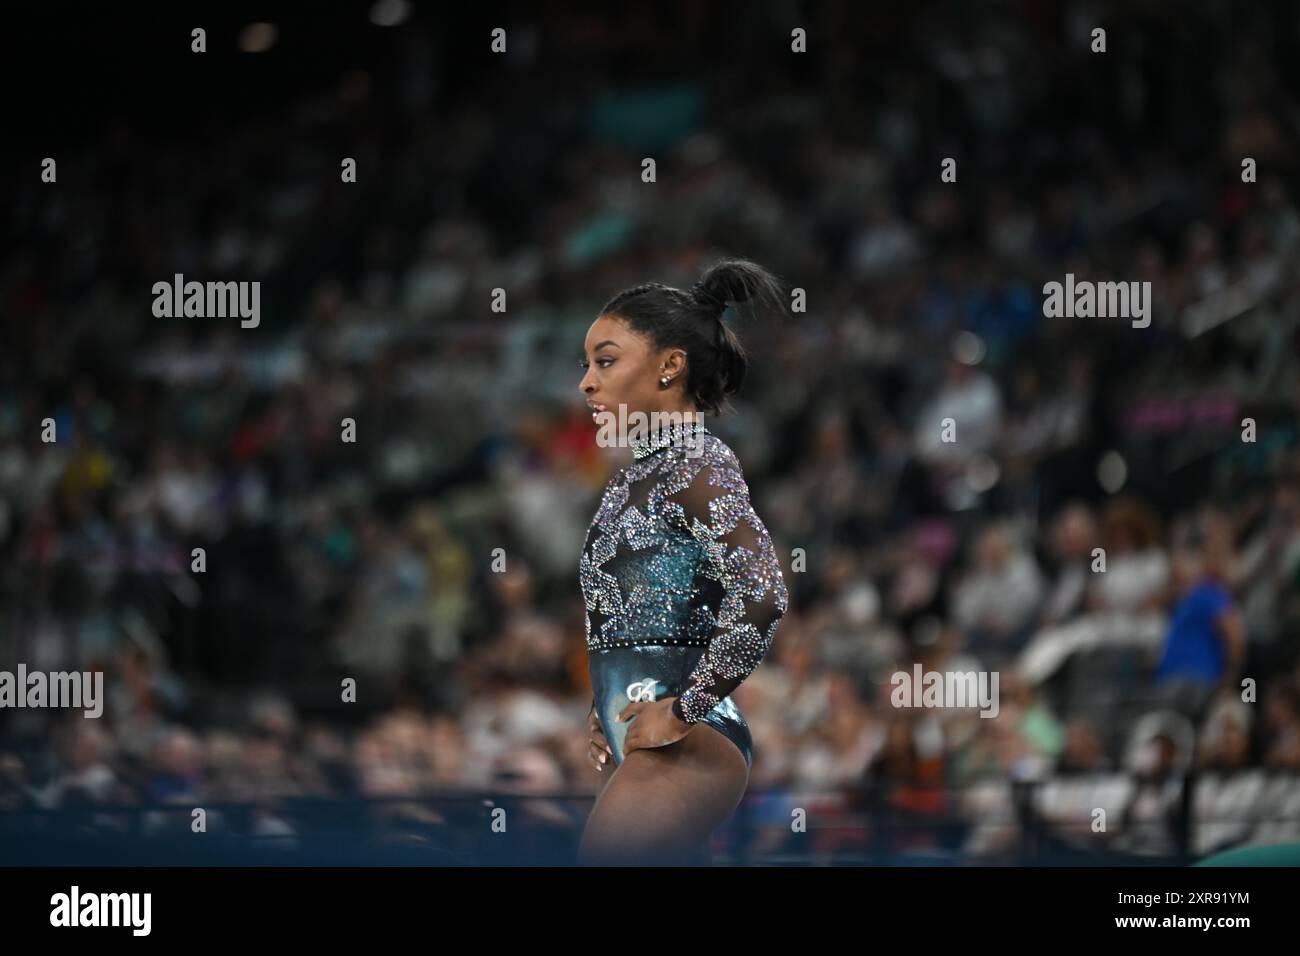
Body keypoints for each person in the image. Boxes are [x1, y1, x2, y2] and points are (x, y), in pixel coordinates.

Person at [575, 259, 789, 865]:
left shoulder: (697, 464)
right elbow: (638, 617)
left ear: (671, 365)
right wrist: (603, 703)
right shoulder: (630, 480)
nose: (587, 383)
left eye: (606, 360)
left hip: (685, 741)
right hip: (637, 736)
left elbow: (764, 594)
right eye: (587, 364)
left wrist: (687, 706)